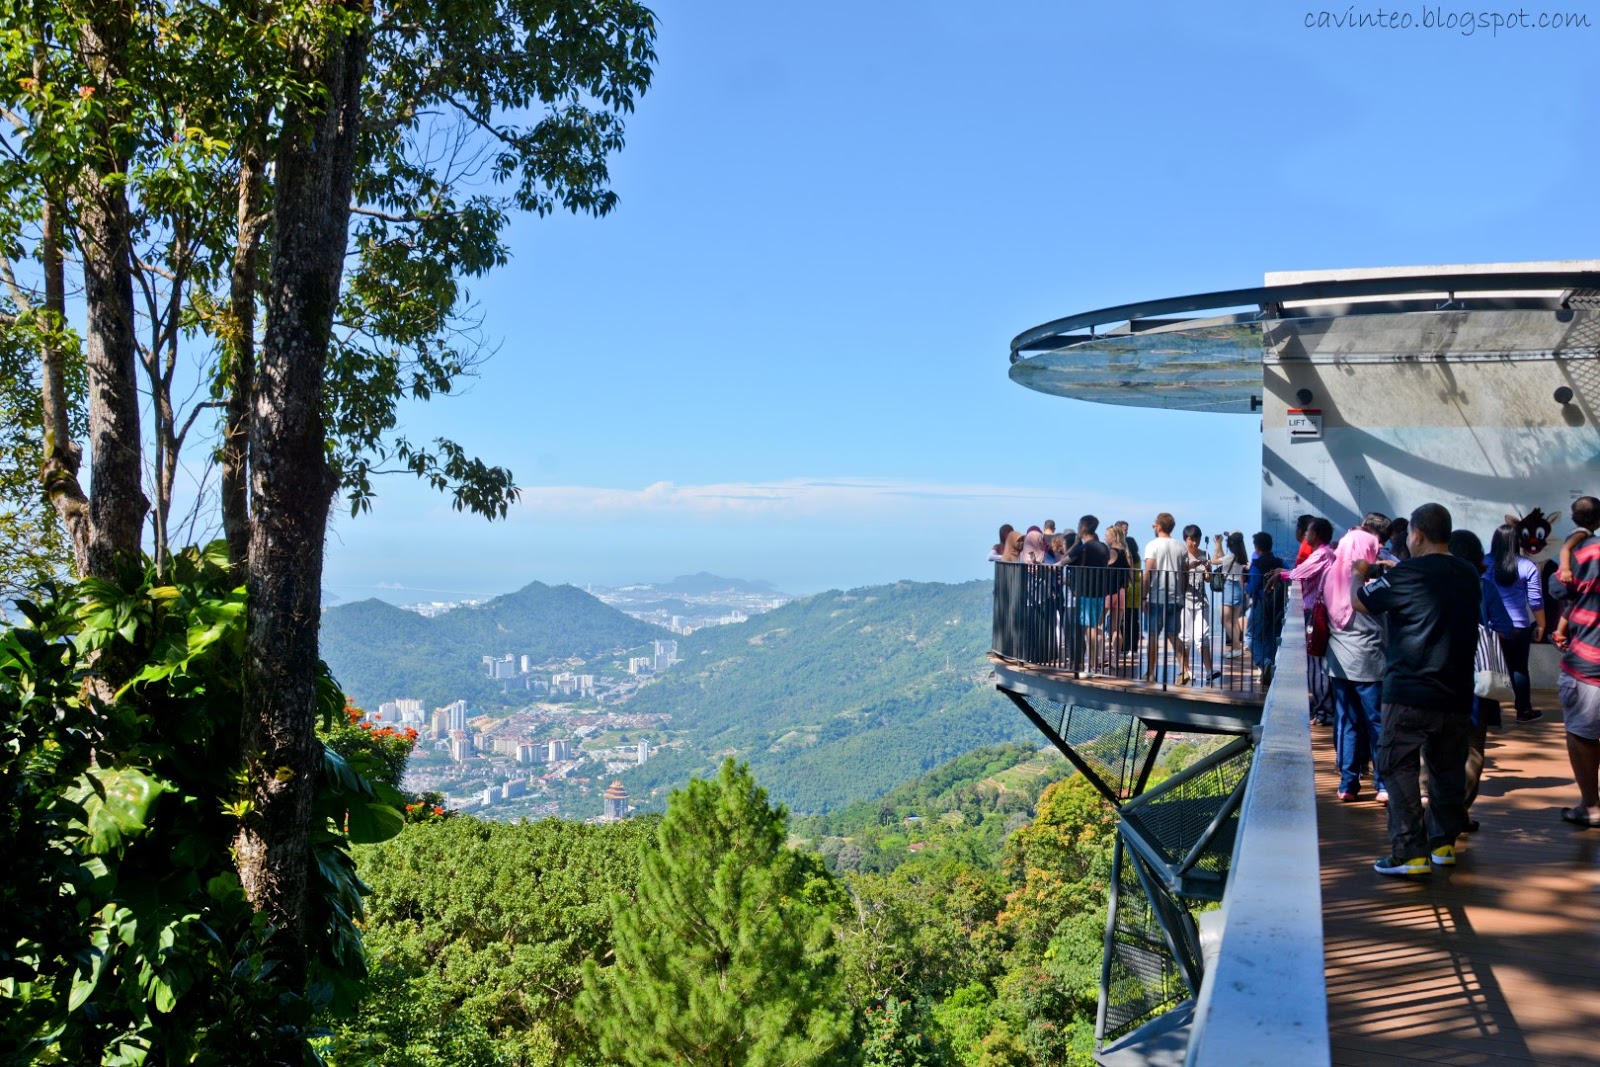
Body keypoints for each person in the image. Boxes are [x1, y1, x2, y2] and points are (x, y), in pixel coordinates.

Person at [1352, 503, 1481, 876]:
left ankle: (1409, 851)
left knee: (1397, 764)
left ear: (1417, 535)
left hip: (1410, 689)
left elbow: (1361, 602)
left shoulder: (1408, 573)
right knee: (1446, 768)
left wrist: (1358, 574)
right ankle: (1442, 843)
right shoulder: (1468, 572)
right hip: (1456, 691)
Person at [1326, 513, 1389, 803]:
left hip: (1338, 662)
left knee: (1348, 721)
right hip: (1371, 662)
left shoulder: (1331, 574)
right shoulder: (1373, 581)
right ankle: (1383, 783)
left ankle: (1348, 784)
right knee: (1377, 722)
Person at [1550, 495, 1600, 827]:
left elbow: (1557, 590)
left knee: (1582, 734)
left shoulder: (1582, 551)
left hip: (1587, 661)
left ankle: (1591, 806)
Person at [1447, 527, 1498, 830]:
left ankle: (1435, 809)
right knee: (1474, 747)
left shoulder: (1436, 583)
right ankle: (1459, 812)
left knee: (1439, 744)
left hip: (1440, 676)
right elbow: (1505, 626)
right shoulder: (1485, 586)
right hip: (1478, 678)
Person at [1484, 523, 1546, 723]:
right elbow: (1536, 600)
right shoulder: (1527, 565)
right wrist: (1541, 625)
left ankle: (1491, 714)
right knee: (1519, 669)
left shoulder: (1483, 563)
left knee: (1488, 669)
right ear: (1517, 542)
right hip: (1519, 626)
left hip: (1490, 626)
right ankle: (1523, 711)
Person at [1278, 517, 1336, 724]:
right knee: (1316, 661)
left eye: (1308, 532)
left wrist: (1281, 574)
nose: (1305, 535)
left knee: (1315, 662)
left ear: (1316, 535)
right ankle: (1323, 708)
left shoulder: (1322, 555)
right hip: (1316, 610)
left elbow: (1300, 573)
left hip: (1314, 611)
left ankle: (1324, 711)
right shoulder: (1326, 553)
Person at [1144, 513, 1189, 684]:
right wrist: (1182, 595)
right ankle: (1185, 671)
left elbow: (1148, 572)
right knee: (1173, 635)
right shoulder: (1181, 547)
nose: (1154, 527)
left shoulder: (1152, 546)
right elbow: (1185, 575)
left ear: (1160, 526)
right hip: (1175, 597)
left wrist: (1143, 597)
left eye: (1155, 525)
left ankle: (1150, 673)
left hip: (1157, 597)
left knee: (1153, 636)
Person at [1067, 515, 1111, 674]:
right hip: (1100, 591)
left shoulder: (1083, 548)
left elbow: (1063, 561)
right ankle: (1092, 663)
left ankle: (1091, 665)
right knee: (1094, 626)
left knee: (1089, 628)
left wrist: (1075, 543)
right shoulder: (1103, 547)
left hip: (1085, 591)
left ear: (1083, 527)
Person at [1246, 532, 1287, 686]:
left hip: (1261, 604)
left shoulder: (1256, 565)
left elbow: (1253, 587)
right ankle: (1270, 667)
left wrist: (1246, 586)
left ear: (1257, 547)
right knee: (1271, 636)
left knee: (1252, 636)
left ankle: (1264, 662)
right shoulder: (1280, 562)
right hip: (1277, 605)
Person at [1179, 525, 1218, 684]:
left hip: (1202, 600)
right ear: (1185, 540)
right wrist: (1189, 567)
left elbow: (1208, 580)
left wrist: (1208, 571)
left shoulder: (1205, 554)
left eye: (1196, 539)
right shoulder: (1181, 556)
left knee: (1203, 635)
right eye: (1191, 539)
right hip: (1184, 600)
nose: (1194, 543)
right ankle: (1185, 670)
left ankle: (1209, 670)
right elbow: (1178, 577)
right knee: (1185, 637)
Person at [1211, 531, 1249, 657]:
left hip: (1229, 587)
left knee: (1224, 619)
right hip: (1238, 587)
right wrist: (1222, 544)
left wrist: (1217, 544)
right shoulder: (1240, 556)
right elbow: (1223, 559)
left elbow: (1214, 561)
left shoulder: (1231, 557)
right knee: (1233, 620)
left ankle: (1237, 647)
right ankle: (1237, 647)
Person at [1104, 524, 1132, 664]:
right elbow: (1131, 573)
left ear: (1114, 537)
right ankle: (1115, 657)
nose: (1105, 538)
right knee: (1116, 626)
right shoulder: (1126, 552)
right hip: (1122, 591)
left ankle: (1099, 655)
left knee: (1098, 624)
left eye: (1107, 535)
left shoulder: (1112, 551)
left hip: (1109, 590)